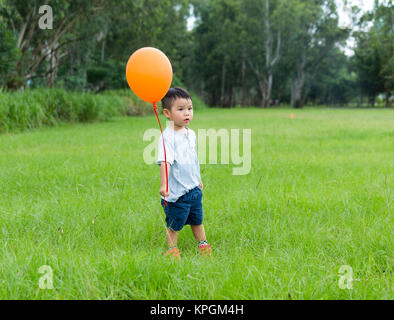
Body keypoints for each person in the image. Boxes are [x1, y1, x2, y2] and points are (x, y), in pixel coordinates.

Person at [157, 87, 212, 259]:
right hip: (177, 192)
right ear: (167, 113)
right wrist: (164, 184)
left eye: (189, 108)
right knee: (174, 224)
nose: (187, 113)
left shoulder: (191, 134)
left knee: (197, 219)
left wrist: (198, 179)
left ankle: (203, 245)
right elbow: (165, 162)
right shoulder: (168, 137)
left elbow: (193, 159)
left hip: (193, 189)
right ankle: (172, 251)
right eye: (180, 109)